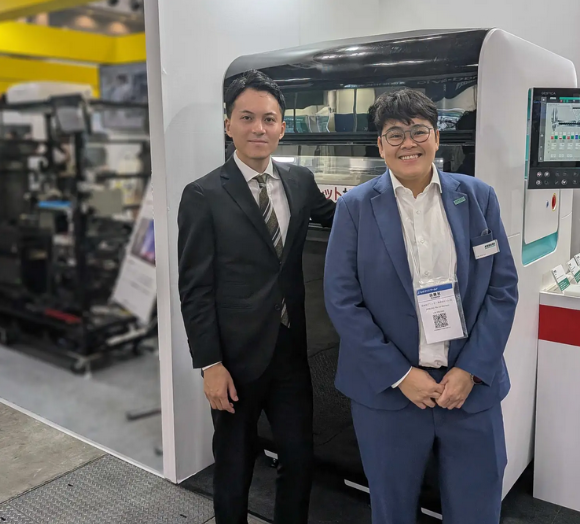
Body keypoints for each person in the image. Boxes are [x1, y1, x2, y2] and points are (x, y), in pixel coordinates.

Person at [323, 89, 519, 524]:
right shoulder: (355, 208)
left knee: (478, 507)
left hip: (469, 389)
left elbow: (502, 288)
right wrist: (400, 374)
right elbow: (342, 299)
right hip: (390, 393)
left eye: (418, 131)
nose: (407, 143)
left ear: (436, 137)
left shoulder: (478, 197)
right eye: (395, 134)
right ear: (380, 145)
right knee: (392, 509)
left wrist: (470, 369)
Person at [177, 70, 336, 524]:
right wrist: (210, 365)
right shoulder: (203, 194)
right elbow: (195, 288)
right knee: (234, 464)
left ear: (283, 127)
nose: (258, 129)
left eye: (269, 119)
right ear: (228, 124)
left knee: (299, 459)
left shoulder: (300, 180)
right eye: (247, 118)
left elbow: (344, 216)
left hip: (291, 352)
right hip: (234, 359)